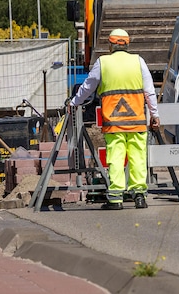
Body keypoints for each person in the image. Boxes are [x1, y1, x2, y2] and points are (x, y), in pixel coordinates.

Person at [66, 29, 160, 209]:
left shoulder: (103, 63)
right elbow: (149, 91)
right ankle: (139, 196)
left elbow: (87, 87)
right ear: (127, 44)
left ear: (110, 45)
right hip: (137, 121)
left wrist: (74, 102)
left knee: (116, 159)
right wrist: (154, 115)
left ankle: (115, 199)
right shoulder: (138, 61)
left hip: (114, 122)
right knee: (138, 158)